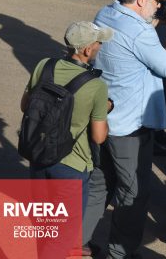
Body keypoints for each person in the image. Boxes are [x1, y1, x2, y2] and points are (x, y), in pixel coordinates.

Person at [83, 0, 166, 259]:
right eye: (156, 2)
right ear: (141, 0)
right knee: (133, 193)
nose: (159, 7)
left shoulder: (105, 14)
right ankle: (121, 253)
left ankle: (75, 240)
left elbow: (129, 42)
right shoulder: (141, 33)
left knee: (99, 185)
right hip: (130, 128)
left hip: (103, 119)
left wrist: (152, 24)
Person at [20, 22, 112, 219]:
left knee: (43, 223)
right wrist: (105, 110)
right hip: (73, 165)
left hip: (39, 154)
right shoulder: (96, 86)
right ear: (87, 50)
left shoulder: (44, 66)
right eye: (98, 43)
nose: (100, 46)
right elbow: (98, 137)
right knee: (65, 231)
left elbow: (25, 105)